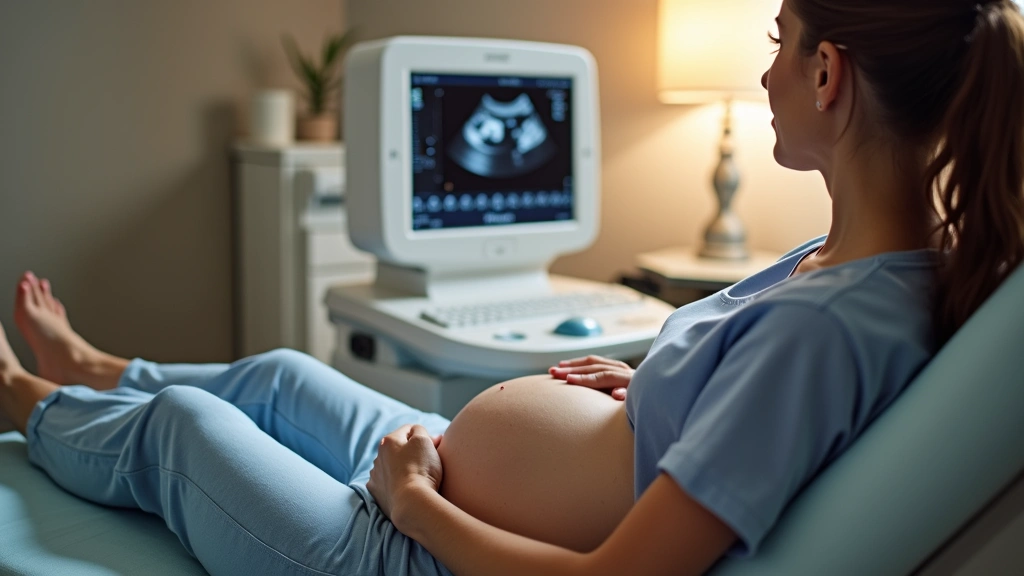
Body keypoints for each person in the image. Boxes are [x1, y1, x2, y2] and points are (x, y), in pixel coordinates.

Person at [2, 0, 1023, 574]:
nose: (763, 77)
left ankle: (31, 405)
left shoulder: (833, 325)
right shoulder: (858, 266)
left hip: (420, 555)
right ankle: (98, 368)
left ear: (826, 75)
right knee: (276, 372)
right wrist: (661, 388)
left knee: (181, 424)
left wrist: (413, 508)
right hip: (445, 480)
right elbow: (764, 414)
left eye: (777, 46)